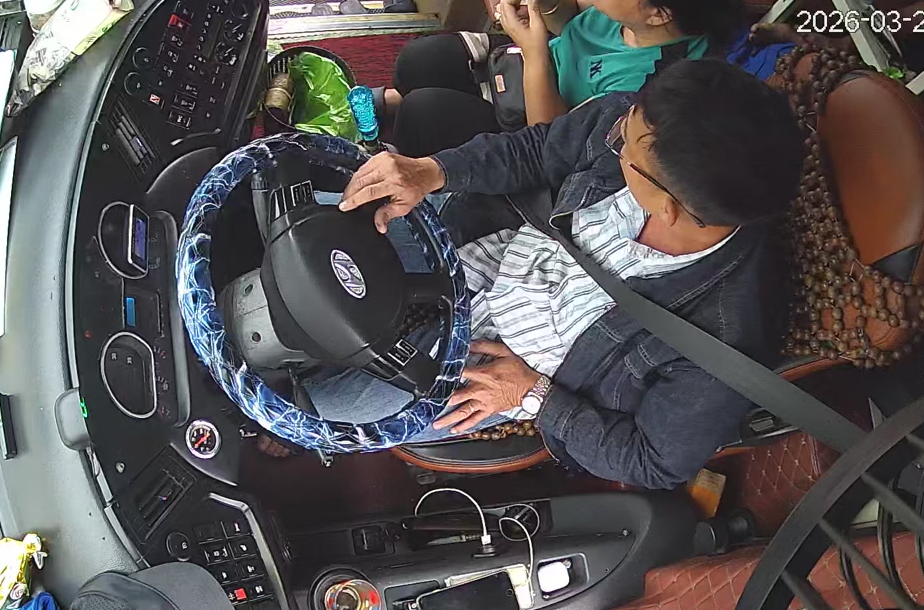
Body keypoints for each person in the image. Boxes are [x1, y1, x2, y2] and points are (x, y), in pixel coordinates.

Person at [260, 59, 805, 489]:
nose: (614, 135)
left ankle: (282, 417)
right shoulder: (642, 123)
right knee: (309, 229)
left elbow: (655, 462)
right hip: (481, 240)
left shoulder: (723, 336)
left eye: (625, 147)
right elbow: (540, 150)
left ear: (667, 207)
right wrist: (432, 171)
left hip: (503, 367)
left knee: (316, 413)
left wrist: (535, 395)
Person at [379, 0, 751, 157]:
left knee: (422, 115)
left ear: (658, 14)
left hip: (533, 117)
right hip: (523, 65)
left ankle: (400, 125)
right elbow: (570, 12)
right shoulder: (625, 4)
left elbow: (552, 139)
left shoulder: (647, 86)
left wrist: (534, 50)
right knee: (420, 59)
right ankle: (394, 102)